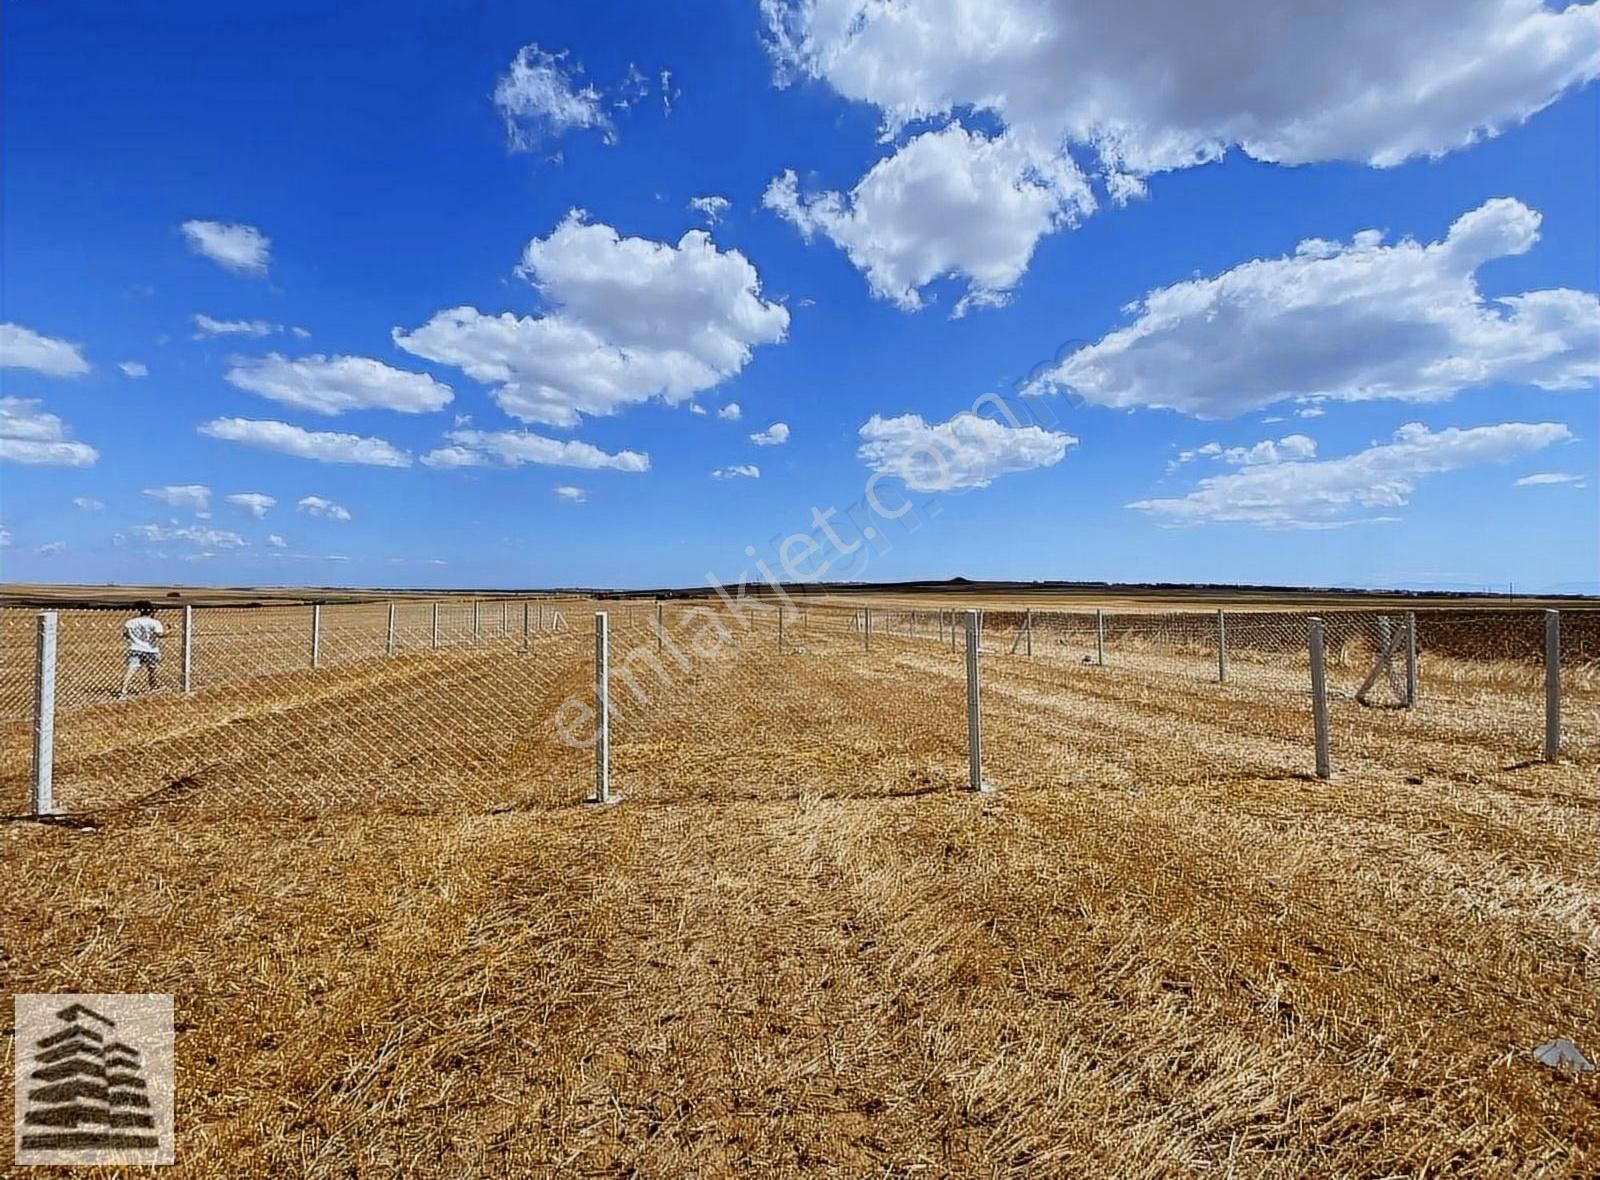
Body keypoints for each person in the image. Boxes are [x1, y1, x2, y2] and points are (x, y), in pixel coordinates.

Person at [119, 601, 165, 699]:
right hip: (151, 649)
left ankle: (123, 690)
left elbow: (125, 634)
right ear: (151, 612)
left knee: (131, 669)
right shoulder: (155, 622)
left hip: (134, 648)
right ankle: (153, 686)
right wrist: (170, 631)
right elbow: (159, 634)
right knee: (152, 669)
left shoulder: (130, 622)